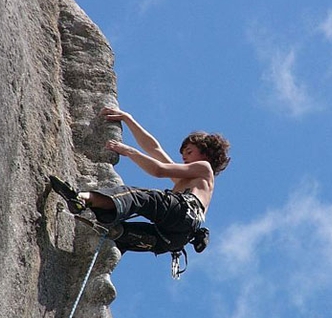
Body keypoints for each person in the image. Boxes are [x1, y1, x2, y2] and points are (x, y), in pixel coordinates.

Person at [50, 107, 230, 256]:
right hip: (176, 237)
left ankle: (82, 198)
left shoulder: (204, 168)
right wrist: (128, 119)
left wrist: (129, 151)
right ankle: (119, 233)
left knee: (136, 197)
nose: (184, 159)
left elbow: (158, 169)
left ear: (206, 153)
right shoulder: (190, 179)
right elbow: (154, 149)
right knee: (122, 234)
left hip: (183, 211)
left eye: (189, 152)